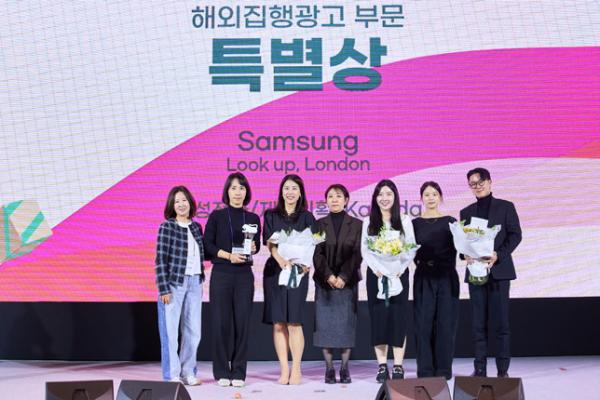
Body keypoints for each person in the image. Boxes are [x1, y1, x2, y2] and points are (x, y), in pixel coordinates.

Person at [460, 167, 522, 378]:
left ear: (489, 182)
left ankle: (502, 371)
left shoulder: (506, 207)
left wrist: (499, 255)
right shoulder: (466, 212)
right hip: (475, 273)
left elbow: (515, 235)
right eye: (473, 184)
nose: (477, 187)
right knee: (478, 324)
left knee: (501, 324)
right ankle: (480, 368)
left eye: (480, 182)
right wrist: (464, 254)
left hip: (499, 272)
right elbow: (462, 243)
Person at [203, 172, 261, 388]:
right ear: (227, 191)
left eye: (242, 188)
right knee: (221, 323)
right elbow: (207, 245)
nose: (238, 192)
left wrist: (254, 247)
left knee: (242, 324)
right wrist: (228, 256)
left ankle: (239, 372)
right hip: (222, 274)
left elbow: (256, 245)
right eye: (234, 188)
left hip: (244, 276)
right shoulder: (216, 216)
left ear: (247, 192)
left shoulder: (253, 218)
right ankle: (221, 371)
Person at [263, 174, 316, 385]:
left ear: (300, 192)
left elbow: (315, 244)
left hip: (298, 273)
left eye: (294, 188)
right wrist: (281, 261)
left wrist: (304, 265)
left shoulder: (308, 217)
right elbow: (270, 244)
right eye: (286, 188)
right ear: (281, 191)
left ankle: (296, 369)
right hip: (275, 272)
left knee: (294, 322)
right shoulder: (270, 215)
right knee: (278, 323)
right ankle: (284, 369)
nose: (290, 192)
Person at [361, 179, 415, 383]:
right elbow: (365, 250)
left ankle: (398, 365)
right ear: (375, 198)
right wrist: (377, 270)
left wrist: (400, 269)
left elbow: (410, 247)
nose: (384, 198)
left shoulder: (405, 220)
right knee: (379, 320)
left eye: (388, 194)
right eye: (380, 194)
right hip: (377, 276)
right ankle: (382, 366)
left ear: (395, 197)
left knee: (398, 319)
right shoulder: (368, 222)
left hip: (399, 275)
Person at [313, 184, 362, 384]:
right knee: (325, 327)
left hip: (347, 283)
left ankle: (344, 368)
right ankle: (329, 368)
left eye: (339, 196)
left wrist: (343, 276)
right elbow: (317, 254)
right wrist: (329, 276)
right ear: (326, 201)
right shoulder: (318, 224)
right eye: (331, 196)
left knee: (345, 327)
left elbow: (357, 254)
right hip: (324, 283)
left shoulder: (357, 225)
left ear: (346, 200)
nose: (334, 199)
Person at [155, 186, 204, 385]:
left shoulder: (196, 227)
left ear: (190, 203)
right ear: (172, 206)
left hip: (195, 282)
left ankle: (188, 372)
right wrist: (163, 288)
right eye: (177, 201)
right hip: (174, 283)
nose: (181, 204)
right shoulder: (167, 227)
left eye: (184, 200)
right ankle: (172, 374)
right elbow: (160, 259)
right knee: (170, 331)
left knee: (194, 331)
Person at [412, 181, 459, 380]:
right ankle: (425, 370)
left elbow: (462, 249)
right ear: (421, 198)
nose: (430, 198)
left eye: (434, 194)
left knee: (446, 324)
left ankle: (443, 370)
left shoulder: (451, 222)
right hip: (424, 277)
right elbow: (409, 251)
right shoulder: (414, 224)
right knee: (423, 324)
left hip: (447, 277)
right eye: (427, 194)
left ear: (440, 197)